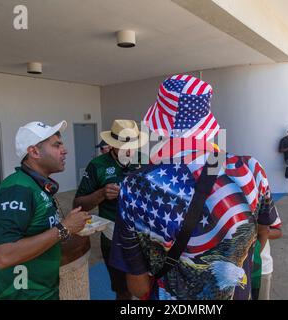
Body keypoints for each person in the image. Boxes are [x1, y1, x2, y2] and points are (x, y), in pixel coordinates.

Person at [109, 75, 278, 300]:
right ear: (206, 122)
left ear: (159, 125)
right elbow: (263, 232)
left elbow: (138, 287)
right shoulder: (251, 169)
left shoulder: (135, 185)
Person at [0, 121, 90, 300]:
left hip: (44, 291)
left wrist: (69, 228)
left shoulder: (37, 186)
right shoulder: (18, 190)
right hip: (23, 295)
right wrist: (63, 228)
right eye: (56, 145)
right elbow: (4, 255)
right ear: (34, 152)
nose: (64, 150)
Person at [74, 120, 147, 300]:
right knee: (123, 290)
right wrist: (101, 193)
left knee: (147, 288)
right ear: (112, 145)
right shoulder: (97, 165)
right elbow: (78, 204)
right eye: (123, 147)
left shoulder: (144, 161)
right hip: (114, 239)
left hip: (145, 236)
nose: (129, 152)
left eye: (133, 146)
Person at [258, 214, 282, 300]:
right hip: (229, 271)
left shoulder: (264, 201)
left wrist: (264, 232)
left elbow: (278, 231)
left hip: (261, 269)